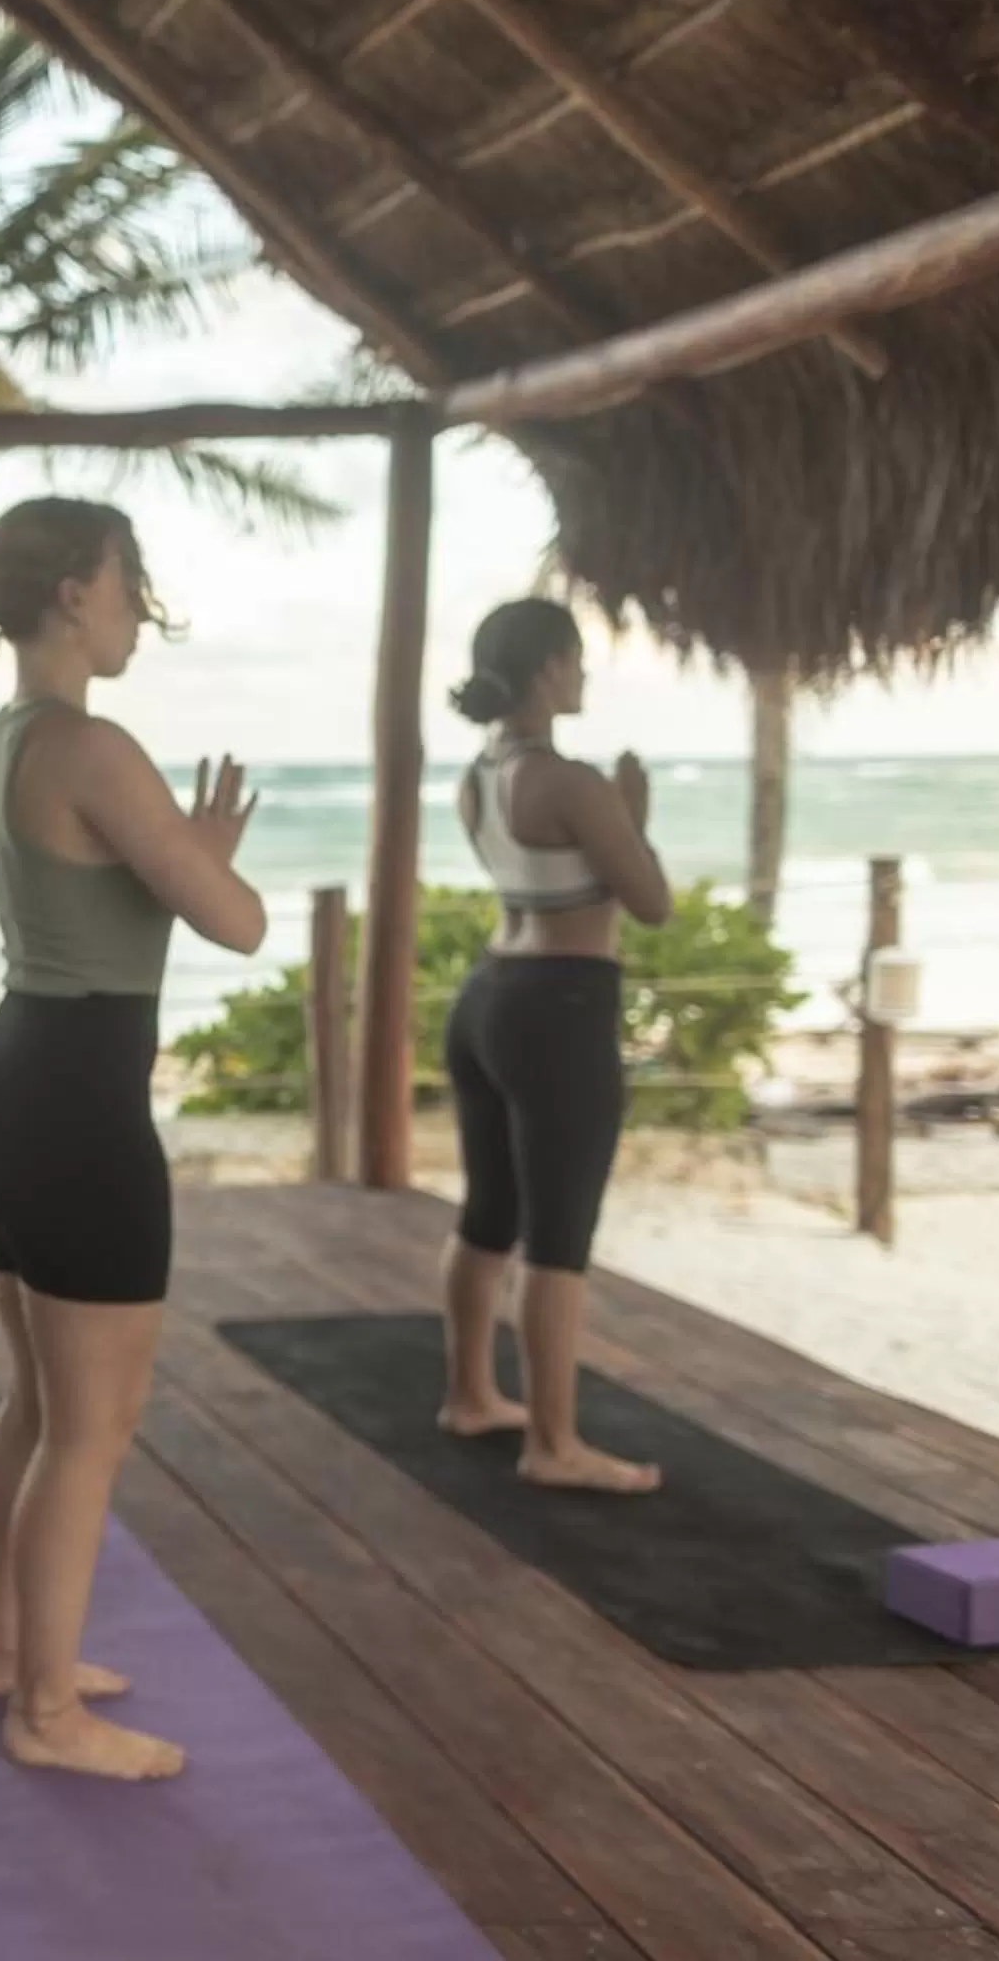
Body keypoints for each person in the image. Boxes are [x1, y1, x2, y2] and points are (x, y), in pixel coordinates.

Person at [0, 499, 265, 1783]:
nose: (140, 607)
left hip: (10, 1079)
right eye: (129, 582)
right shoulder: (90, 743)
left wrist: (185, 855)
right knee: (91, 1427)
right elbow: (238, 920)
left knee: (39, 1399)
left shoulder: (6, 734)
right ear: (76, 591)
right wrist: (206, 857)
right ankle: (49, 1711)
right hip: (74, 1103)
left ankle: (4, 1652)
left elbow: (114, 897)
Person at [431, 598, 671, 1493]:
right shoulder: (570, 783)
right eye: (575, 659)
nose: (584, 674)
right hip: (561, 1008)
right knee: (558, 1237)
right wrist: (632, 813)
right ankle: (554, 1445)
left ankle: (470, 1396)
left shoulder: (477, 778)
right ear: (545, 672)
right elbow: (650, 903)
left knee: (488, 1214)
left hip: (490, 998)